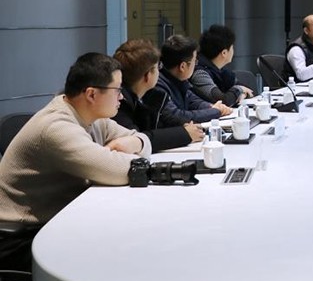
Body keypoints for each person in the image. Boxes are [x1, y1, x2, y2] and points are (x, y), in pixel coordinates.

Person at [0, 53, 151, 244]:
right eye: (117, 90)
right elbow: (118, 170)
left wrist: (135, 143)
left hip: (59, 218)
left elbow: (143, 141)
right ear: (91, 94)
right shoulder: (56, 127)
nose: (121, 96)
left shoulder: (93, 116)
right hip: (24, 235)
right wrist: (110, 158)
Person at [113, 39, 203, 152]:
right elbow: (137, 139)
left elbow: (157, 129)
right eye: (158, 67)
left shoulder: (148, 97)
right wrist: (184, 134)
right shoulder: (119, 104)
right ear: (147, 75)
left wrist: (182, 129)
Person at [156, 35, 232, 124]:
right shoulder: (159, 86)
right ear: (183, 66)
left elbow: (193, 101)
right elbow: (177, 116)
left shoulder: (179, 80)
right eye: (194, 61)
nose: (195, 65)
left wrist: (212, 107)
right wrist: (215, 111)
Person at [191, 24, 253, 106]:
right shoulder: (199, 73)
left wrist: (240, 93)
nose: (233, 51)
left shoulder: (220, 70)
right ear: (224, 53)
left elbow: (248, 91)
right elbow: (223, 101)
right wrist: (239, 90)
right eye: (232, 47)